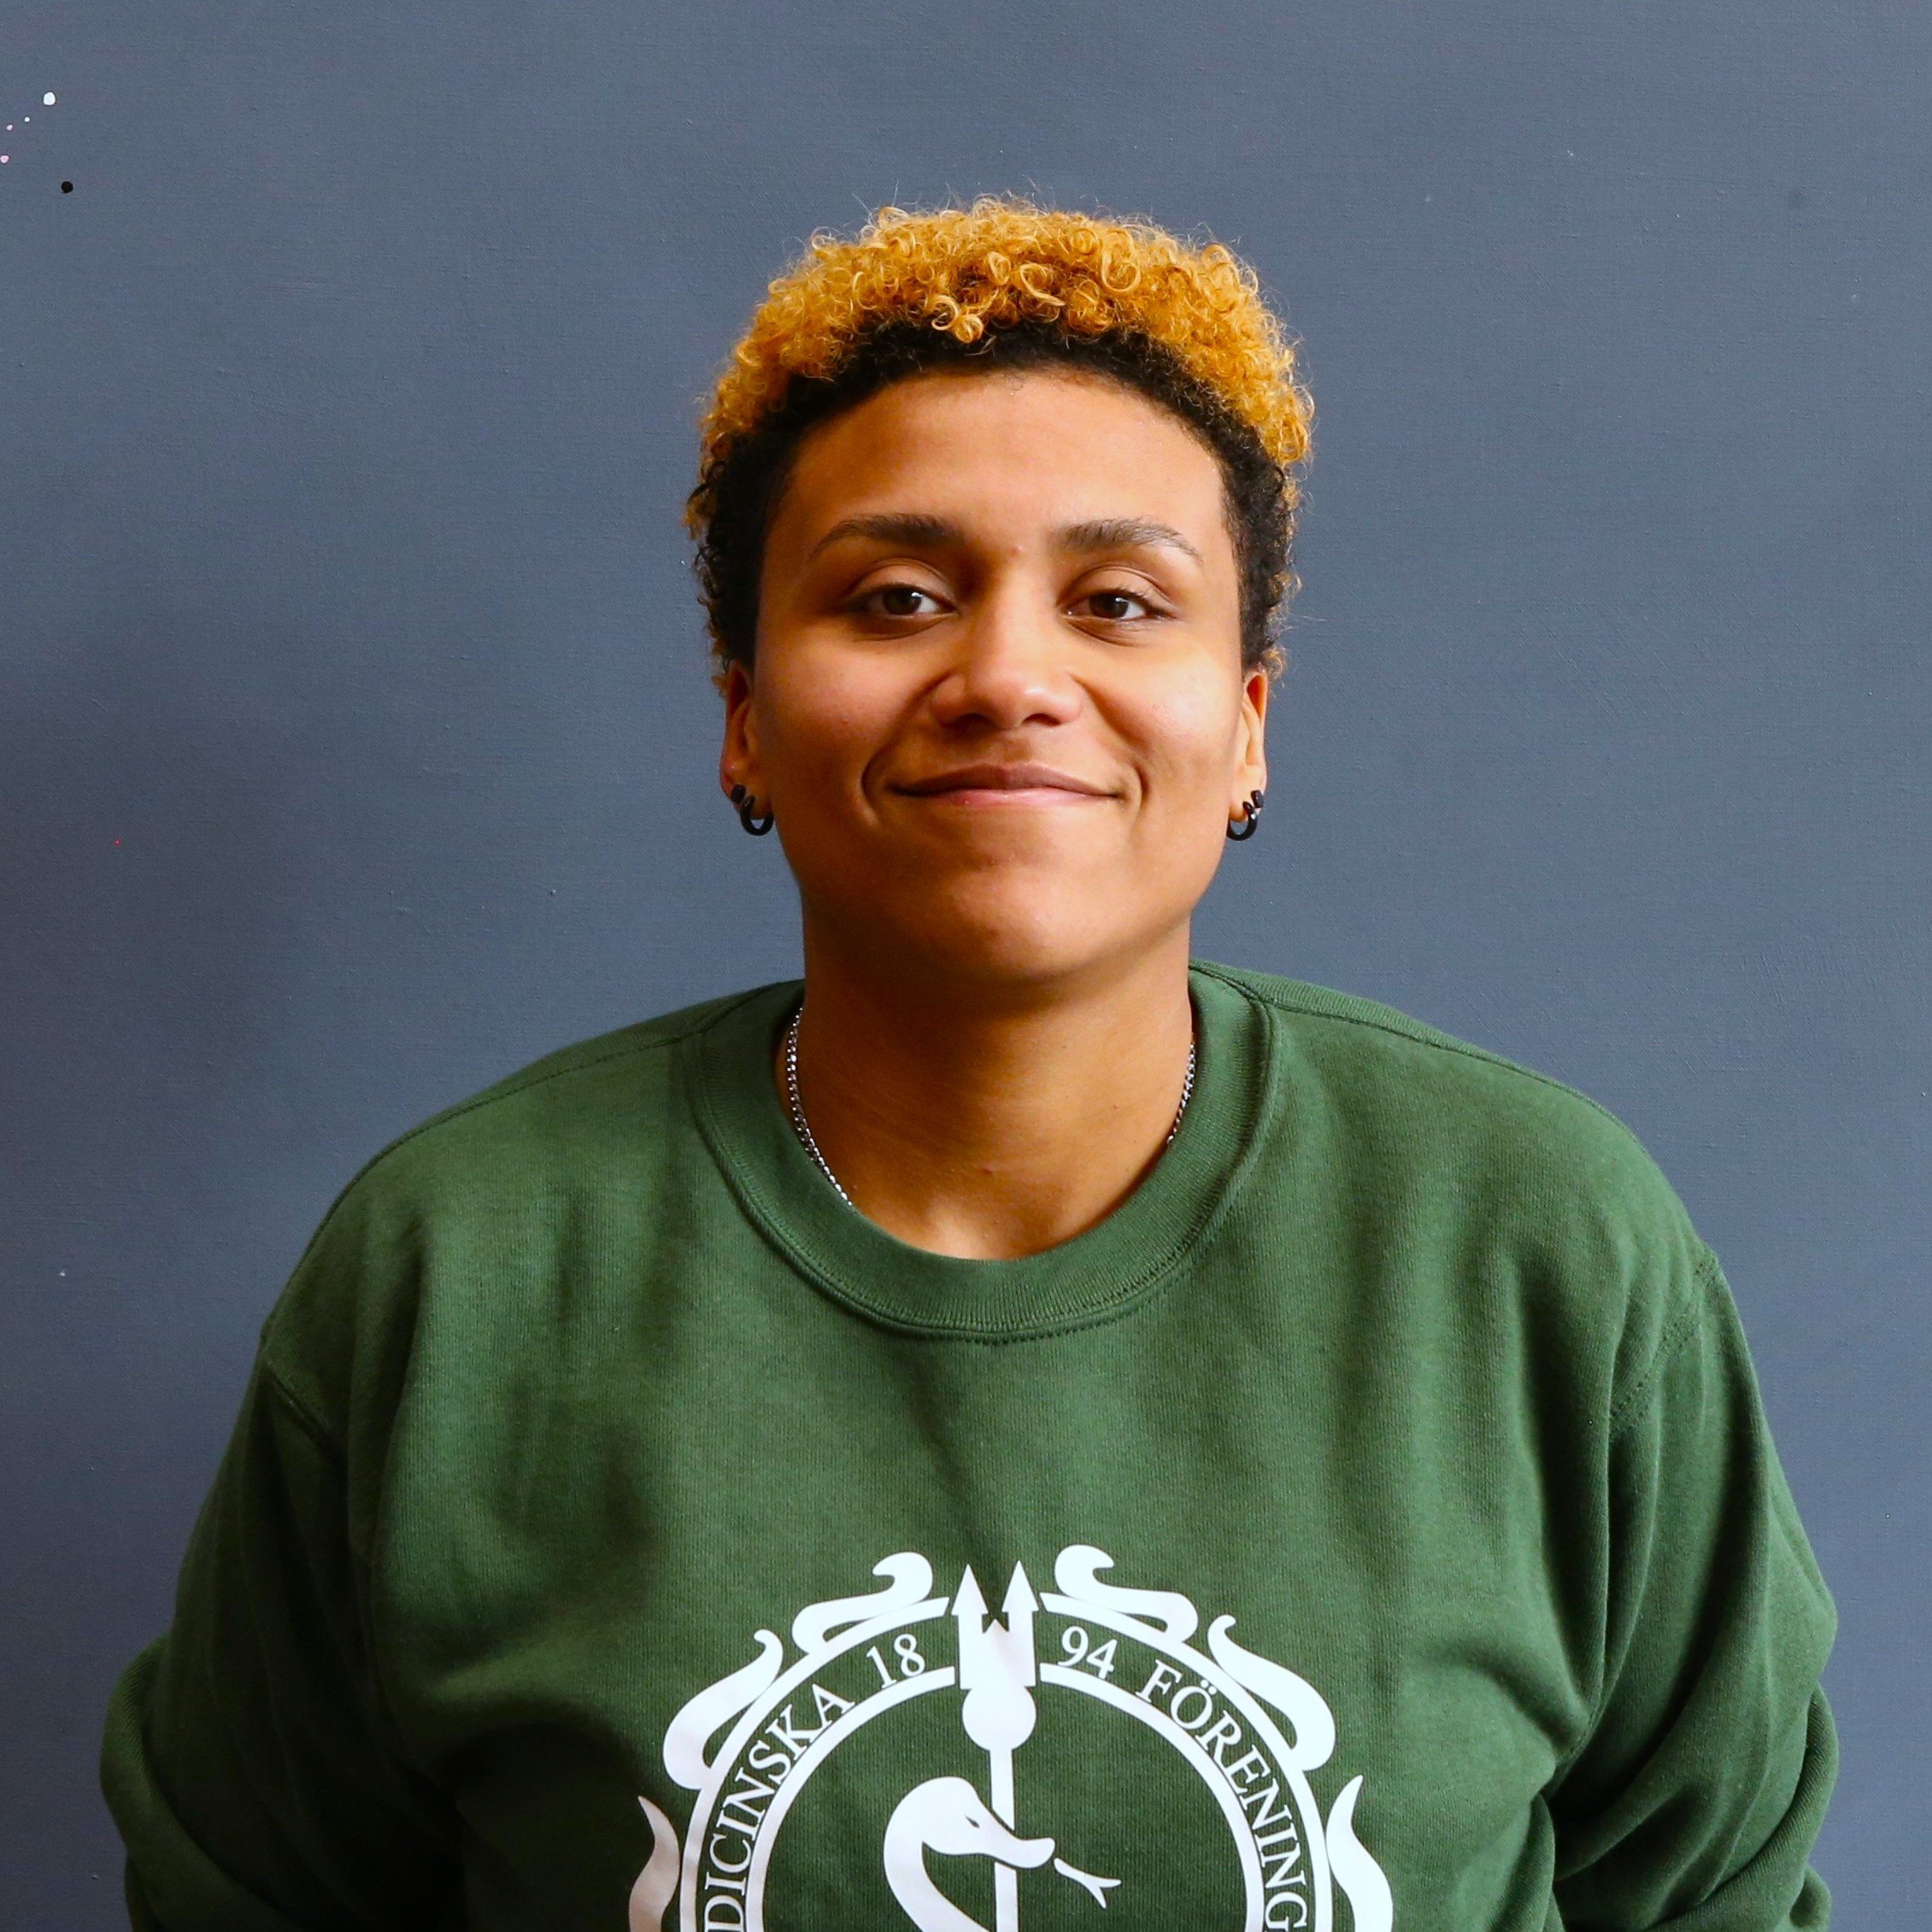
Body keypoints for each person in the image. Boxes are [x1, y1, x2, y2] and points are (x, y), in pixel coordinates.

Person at [101, 197, 1837, 1932]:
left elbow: (1714, 1898)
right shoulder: (461, 1271)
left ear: (1245, 724)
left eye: (1119, 602)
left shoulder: (1540, 1246)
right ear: (744, 716)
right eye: (899, 597)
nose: (1008, 675)